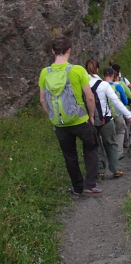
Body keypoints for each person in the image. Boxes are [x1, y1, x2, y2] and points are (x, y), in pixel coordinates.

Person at [39, 36, 101, 196]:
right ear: (69, 50)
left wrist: (53, 117)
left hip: (59, 123)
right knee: (91, 147)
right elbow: (89, 96)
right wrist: (91, 116)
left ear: (53, 51)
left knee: (69, 154)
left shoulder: (45, 73)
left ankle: (77, 187)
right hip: (80, 119)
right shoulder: (77, 70)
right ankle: (90, 185)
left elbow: (42, 99)